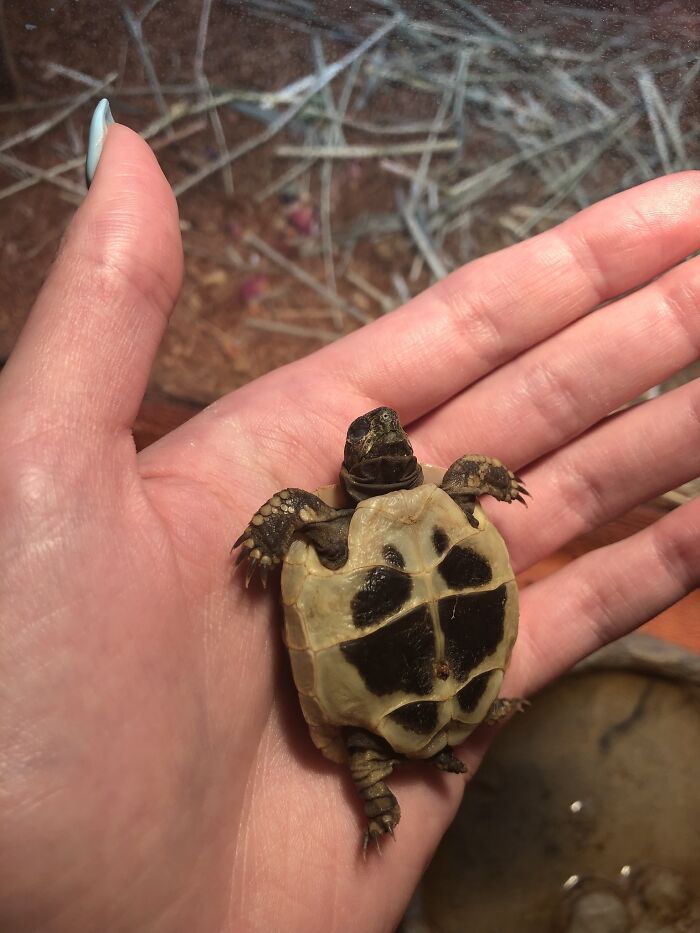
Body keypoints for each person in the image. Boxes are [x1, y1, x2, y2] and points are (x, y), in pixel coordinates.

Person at [0, 108, 697, 933]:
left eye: (385, 436)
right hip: (443, 689)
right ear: (386, 467)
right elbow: (460, 482)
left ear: (373, 468)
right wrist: (488, 485)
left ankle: (393, 778)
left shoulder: (331, 530)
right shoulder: (442, 497)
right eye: (381, 439)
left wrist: (273, 535)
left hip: (413, 685)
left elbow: (305, 510)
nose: (384, 434)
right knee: (386, 741)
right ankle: (401, 775)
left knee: (378, 743)